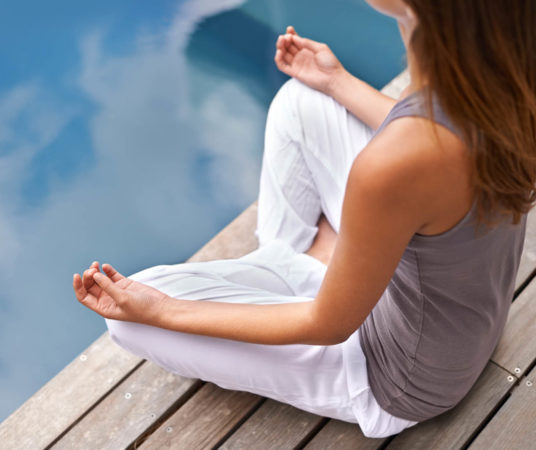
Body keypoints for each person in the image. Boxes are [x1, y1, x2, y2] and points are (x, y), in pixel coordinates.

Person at [72, 0, 535, 439]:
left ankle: (311, 266)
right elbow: (433, 144)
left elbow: (328, 325)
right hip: (458, 323)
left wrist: (162, 311)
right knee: (304, 99)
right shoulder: (496, 66)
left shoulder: (397, 164)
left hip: (400, 375)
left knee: (132, 321)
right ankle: (310, 265)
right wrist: (339, 83)